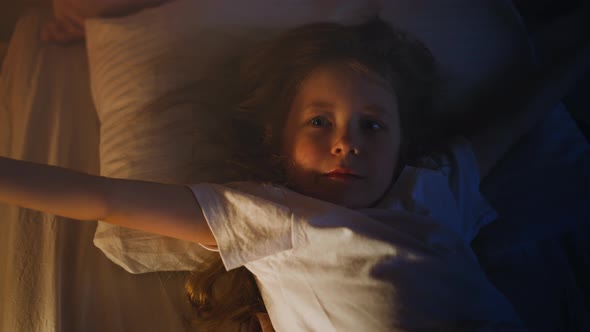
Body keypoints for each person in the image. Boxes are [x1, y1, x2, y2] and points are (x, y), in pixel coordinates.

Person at [3, 17, 571, 331]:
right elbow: (103, 198)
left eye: (372, 126)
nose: (346, 141)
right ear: (277, 139)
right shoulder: (272, 216)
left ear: (403, 145)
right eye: (319, 121)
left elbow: (523, 113)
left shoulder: (434, 188)